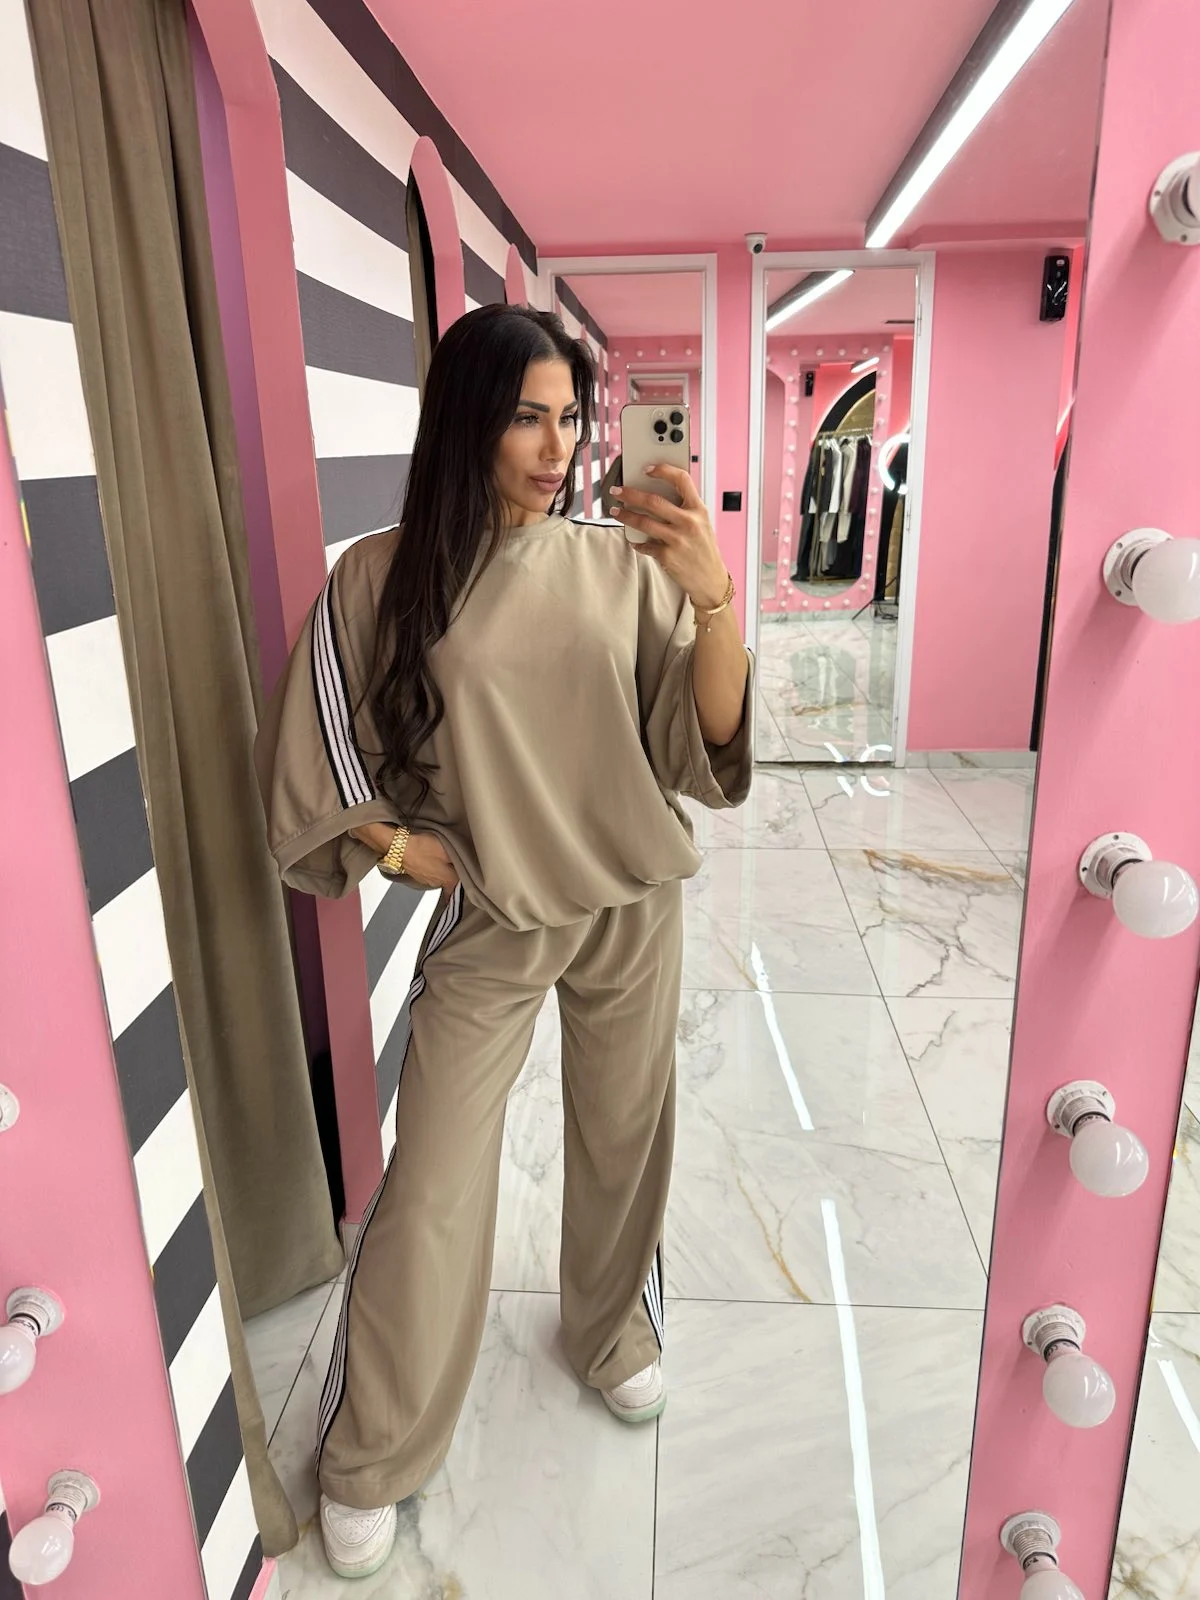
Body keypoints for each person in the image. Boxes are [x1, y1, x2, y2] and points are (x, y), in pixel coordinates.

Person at [254, 304, 754, 1580]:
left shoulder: (622, 565)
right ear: (466, 421)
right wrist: (393, 846)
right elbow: (319, 746)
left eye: (570, 417)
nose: (556, 446)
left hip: (629, 899)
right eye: (526, 416)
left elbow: (706, 745)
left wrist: (714, 601)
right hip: (493, 910)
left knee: (624, 1137)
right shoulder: (380, 576)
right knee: (432, 1180)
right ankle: (374, 1449)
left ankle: (610, 1332)